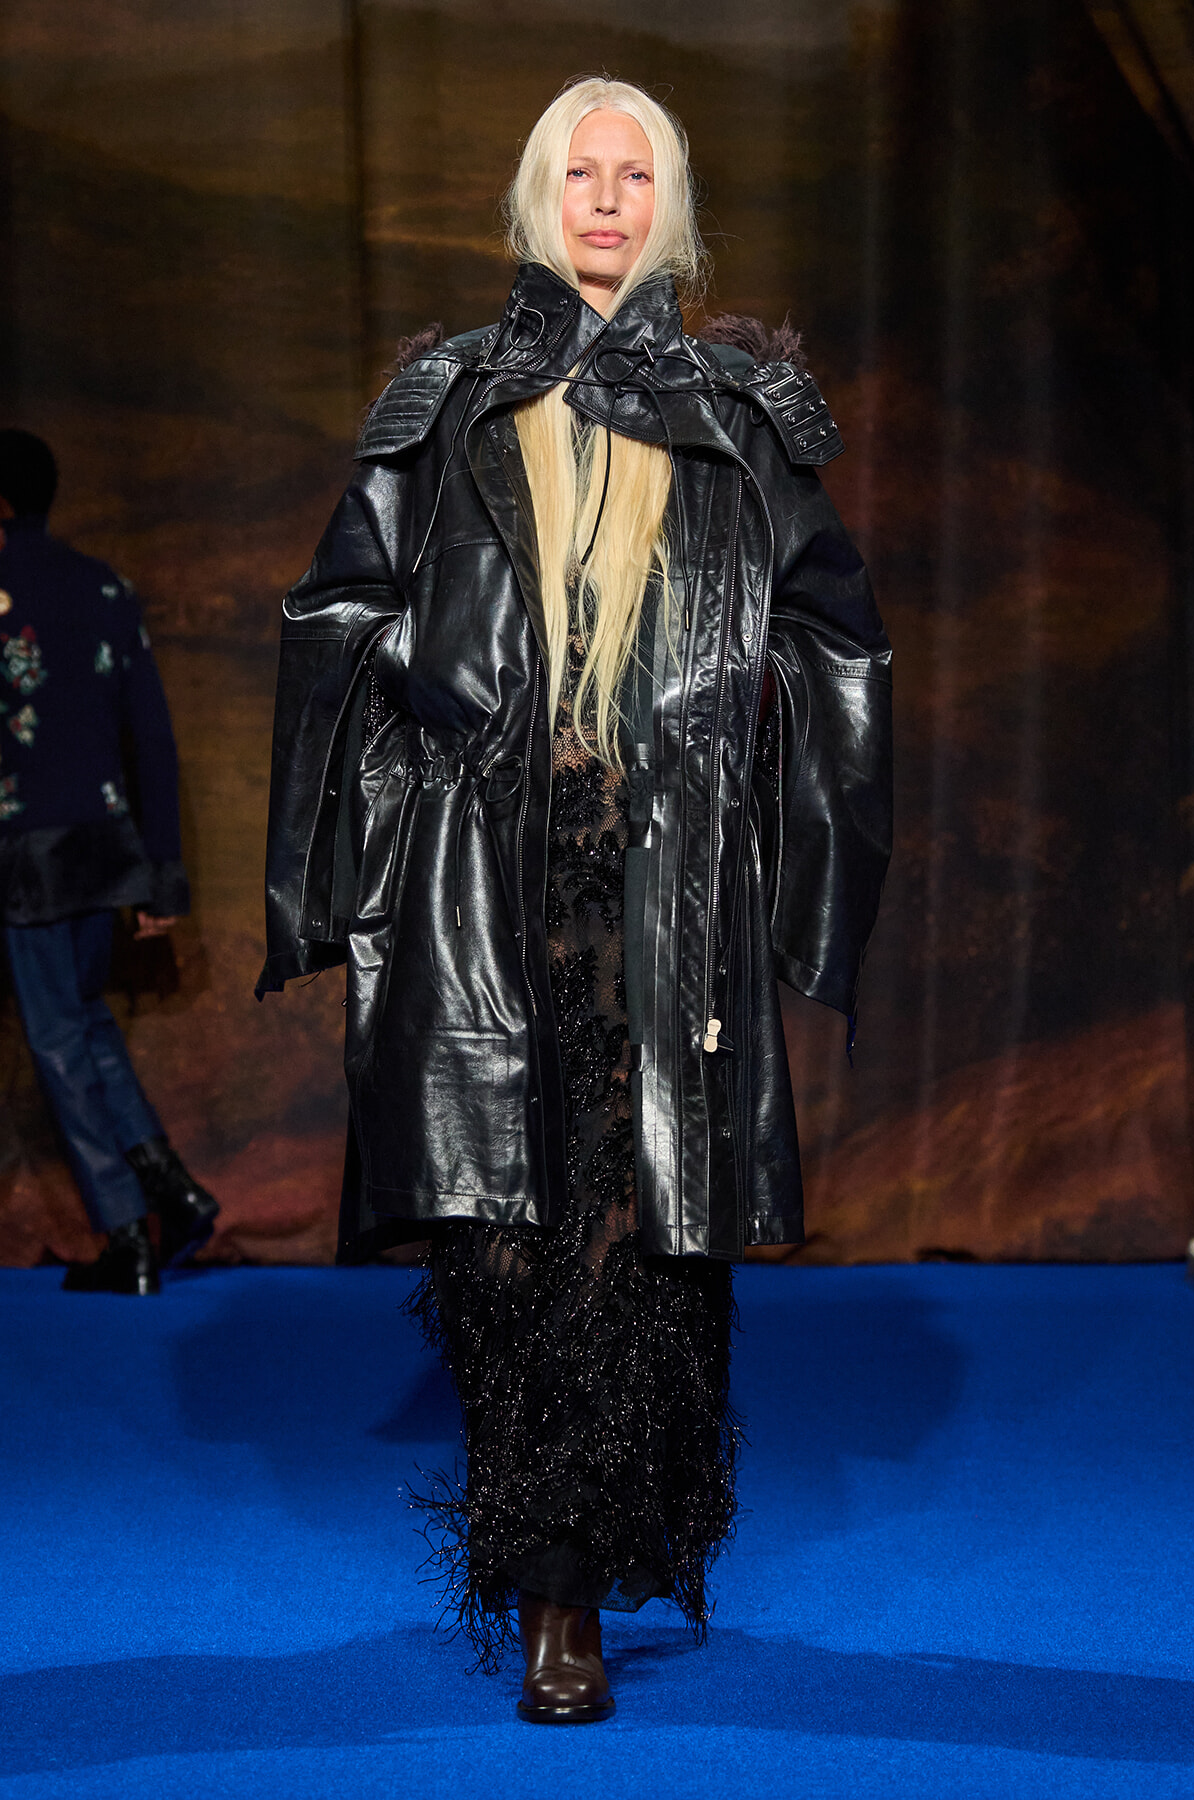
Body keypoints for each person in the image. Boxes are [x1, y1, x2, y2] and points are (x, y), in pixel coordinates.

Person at [259, 78, 891, 1721]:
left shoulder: (743, 412)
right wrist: (439, 685)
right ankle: (547, 1571)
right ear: (536, 197)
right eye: (577, 171)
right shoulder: (449, 399)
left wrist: (795, 843)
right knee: (502, 1247)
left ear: (668, 205)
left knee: (634, 1243)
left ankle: (581, 1584)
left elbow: (839, 636)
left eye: (636, 174)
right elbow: (334, 613)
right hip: (484, 884)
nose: (605, 199)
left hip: (663, 895)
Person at [0, 430, 218, 1295]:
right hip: (103, 846)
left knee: (59, 1040)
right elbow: (153, 743)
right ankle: (174, 1186)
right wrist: (158, 870)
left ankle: (128, 1230)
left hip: (27, 854)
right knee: (85, 1022)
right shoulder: (104, 587)